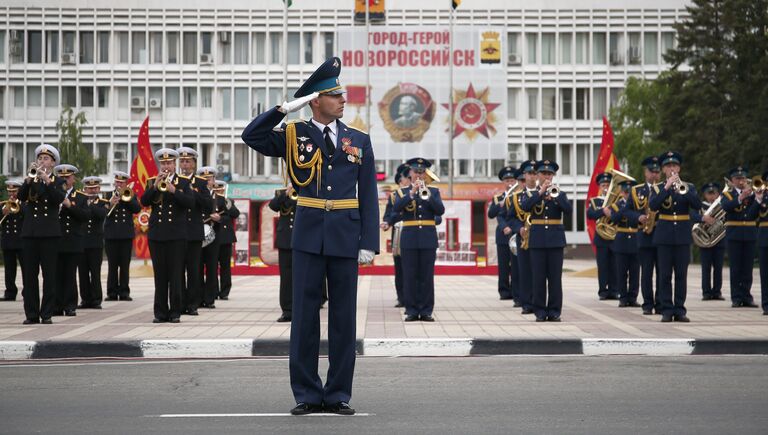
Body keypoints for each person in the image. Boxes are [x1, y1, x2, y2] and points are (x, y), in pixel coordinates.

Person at [242, 57, 379, 416]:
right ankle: (305, 391)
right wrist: (284, 109)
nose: (343, 100)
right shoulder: (294, 134)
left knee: (344, 319)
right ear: (316, 100)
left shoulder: (358, 139)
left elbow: (368, 194)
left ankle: (337, 394)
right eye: (335, 95)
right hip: (307, 237)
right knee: (304, 317)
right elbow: (251, 136)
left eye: (342, 94)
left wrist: (368, 243)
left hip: (345, 237)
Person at [141, 148, 194, 323]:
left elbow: (190, 203)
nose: (166, 166)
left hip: (177, 235)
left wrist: (173, 190)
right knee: (160, 276)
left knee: (175, 275)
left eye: (169, 163)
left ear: (174, 164)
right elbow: (144, 201)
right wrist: (155, 187)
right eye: (163, 163)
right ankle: (160, 312)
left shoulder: (184, 182)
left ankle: (175, 312)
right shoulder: (152, 181)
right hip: (157, 235)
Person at [649, 151, 701, 322]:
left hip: (682, 236)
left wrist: (682, 189)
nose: (672, 168)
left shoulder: (689, 187)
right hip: (664, 235)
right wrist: (666, 187)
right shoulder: (657, 188)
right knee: (664, 275)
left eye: (674, 166)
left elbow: (696, 204)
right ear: (663, 170)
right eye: (668, 166)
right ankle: (666, 310)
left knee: (681, 275)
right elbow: (654, 206)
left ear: (679, 168)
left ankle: (679, 310)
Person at [393, 158, 445, 322]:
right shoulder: (401, 192)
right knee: (410, 276)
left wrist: (427, 195)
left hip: (428, 238)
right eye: (416, 172)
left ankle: (427, 310)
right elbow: (396, 208)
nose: (418, 175)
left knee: (426, 276)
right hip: (409, 238)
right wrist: (412, 193)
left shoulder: (434, 191)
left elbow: (440, 210)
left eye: (422, 172)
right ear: (410, 173)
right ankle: (411, 310)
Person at [18, 144, 65, 324]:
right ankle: (31, 314)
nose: (41, 162)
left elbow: (57, 199)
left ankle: (46, 314)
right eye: (40, 159)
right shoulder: (31, 180)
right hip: (30, 233)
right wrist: (28, 181)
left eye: (46, 159)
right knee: (29, 277)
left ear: (53, 163)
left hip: (49, 234)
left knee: (49, 276)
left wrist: (48, 181)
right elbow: (21, 197)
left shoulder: (57, 182)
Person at [520, 160, 571, 322]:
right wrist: (540, 193)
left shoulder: (560, 193)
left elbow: (568, 210)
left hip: (555, 241)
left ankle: (555, 311)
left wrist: (555, 198)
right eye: (543, 174)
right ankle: (540, 311)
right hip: (538, 240)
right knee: (539, 278)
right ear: (538, 175)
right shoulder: (531, 194)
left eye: (550, 174)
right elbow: (525, 207)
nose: (547, 177)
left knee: (555, 278)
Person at [177, 146, 213, 316]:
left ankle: (192, 304)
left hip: (193, 232)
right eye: (182, 161)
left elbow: (208, 204)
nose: (184, 164)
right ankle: (179, 303)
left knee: (193, 270)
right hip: (177, 232)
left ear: (193, 164)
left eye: (188, 161)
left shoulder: (200, 182)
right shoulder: (174, 181)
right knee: (178, 270)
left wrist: (191, 193)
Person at [53, 164, 90, 317]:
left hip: (73, 241)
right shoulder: (53, 194)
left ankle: (70, 305)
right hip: (56, 240)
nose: (64, 180)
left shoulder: (80, 197)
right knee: (56, 274)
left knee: (70, 275)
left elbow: (85, 216)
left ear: (73, 179)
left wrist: (69, 206)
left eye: (67, 177)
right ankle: (56, 305)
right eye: (61, 177)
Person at [720, 166, 760, 308]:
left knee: (747, 268)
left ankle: (747, 296)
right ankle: (736, 297)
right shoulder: (727, 194)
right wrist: (740, 197)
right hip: (734, 233)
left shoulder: (753, 194)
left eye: (743, 178)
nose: (741, 181)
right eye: (738, 178)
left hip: (749, 232)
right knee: (736, 267)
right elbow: (725, 207)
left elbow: (756, 212)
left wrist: (757, 198)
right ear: (732, 181)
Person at [629, 156, 662, 315]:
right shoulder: (637, 190)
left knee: (663, 273)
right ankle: (648, 304)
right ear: (645, 172)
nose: (655, 174)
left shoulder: (665, 188)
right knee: (647, 273)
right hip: (645, 235)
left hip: (662, 235)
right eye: (651, 171)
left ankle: (661, 303)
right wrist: (638, 217)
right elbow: (627, 211)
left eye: (657, 171)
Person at [104, 171, 141, 301]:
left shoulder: (130, 195)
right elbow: (103, 213)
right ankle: (112, 292)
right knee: (112, 265)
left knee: (125, 265)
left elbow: (137, 209)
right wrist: (111, 203)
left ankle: (124, 292)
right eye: (117, 182)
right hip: (111, 235)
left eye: (122, 182)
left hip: (125, 235)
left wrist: (127, 198)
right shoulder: (108, 195)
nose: (119, 184)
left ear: (126, 183)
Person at [508, 160, 537, 315]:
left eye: (534, 173)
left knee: (538, 271)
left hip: (539, 237)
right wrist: (518, 228)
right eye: (528, 173)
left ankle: (538, 301)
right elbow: (510, 217)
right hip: (524, 237)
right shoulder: (516, 197)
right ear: (524, 175)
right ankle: (526, 303)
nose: (531, 177)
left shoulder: (545, 192)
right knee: (524, 271)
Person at [488, 165, 519, 302]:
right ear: (503, 182)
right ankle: (504, 291)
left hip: (516, 233)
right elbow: (492, 214)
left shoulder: (520, 196)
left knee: (517, 264)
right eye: (507, 181)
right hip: (502, 235)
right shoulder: (497, 198)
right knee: (503, 265)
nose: (510, 183)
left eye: (512, 180)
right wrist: (500, 204)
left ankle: (516, 290)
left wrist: (512, 228)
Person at [381, 163, 410, 308]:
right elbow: (388, 215)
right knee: (399, 268)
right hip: (398, 233)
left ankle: (413, 296)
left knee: (412, 267)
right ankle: (402, 297)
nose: (410, 180)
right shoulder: (393, 196)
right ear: (400, 181)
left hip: (412, 232)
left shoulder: (417, 193)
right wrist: (387, 222)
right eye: (407, 178)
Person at [586, 172, 618, 301]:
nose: (605, 187)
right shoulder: (595, 201)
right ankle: (603, 291)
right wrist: (602, 211)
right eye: (603, 185)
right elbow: (590, 215)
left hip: (614, 237)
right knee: (603, 265)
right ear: (599, 187)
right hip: (601, 237)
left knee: (614, 265)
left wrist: (612, 213)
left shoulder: (616, 200)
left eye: (607, 185)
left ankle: (614, 290)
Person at [78, 176, 109, 309]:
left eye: (94, 188)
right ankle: (85, 299)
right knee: (83, 273)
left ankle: (96, 299)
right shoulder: (80, 201)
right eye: (89, 189)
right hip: (82, 241)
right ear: (85, 189)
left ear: (98, 189)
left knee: (95, 272)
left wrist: (91, 205)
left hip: (95, 243)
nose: (91, 191)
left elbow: (102, 215)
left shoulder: (103, 202)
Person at [610, 180, 641, 308]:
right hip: (621, 240)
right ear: (621, 192)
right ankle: (623, 298)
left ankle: (632, 297)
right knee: (621, 272)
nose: (627, 194)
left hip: (635, 238)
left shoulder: (638, 205)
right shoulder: (616, 205)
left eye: (629, 192)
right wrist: (624, 208)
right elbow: (614, 219)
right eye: (625, 191)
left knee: (635, 272)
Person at [211, 181, 240, 301]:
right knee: (212, 266)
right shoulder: (210, 200)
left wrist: (228, 206)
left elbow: (235, 214)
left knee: (225, 266)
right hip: (213, 237)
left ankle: (224, 291)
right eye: (216, 189)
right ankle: (213, 290)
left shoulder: (229, 201)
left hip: (226, 237)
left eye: (220, 189)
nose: (219, 192)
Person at [697, 182, 726, 301]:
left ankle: (717, 292)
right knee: (706, 268)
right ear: (704, 195)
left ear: (718, 194)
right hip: (705, 239)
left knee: (718, 268)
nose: (711, 196)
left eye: (714, 193)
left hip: (719, 239)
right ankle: (706, 292)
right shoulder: (701, 207)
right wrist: (703, 218)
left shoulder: (722, 205)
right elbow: (694, 217)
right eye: (709, 193)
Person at [197, 166, 220, 308]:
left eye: (209, 179)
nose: (207, 181)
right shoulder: (197, 194)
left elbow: (228, 216)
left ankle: (210, 299)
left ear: (213, 180)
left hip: (214, 237)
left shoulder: (220, 197)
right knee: (197, 267)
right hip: (198, 234)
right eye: (204, 179)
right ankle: (198, 297)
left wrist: (219, 218)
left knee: (211, 269)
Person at [1, 180, 25, 302]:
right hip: (8, 241)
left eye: (14, 191)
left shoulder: (25, 204)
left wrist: (18, 208)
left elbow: (26, 215)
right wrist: (3, 212)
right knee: (9, 269)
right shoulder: (4, 205)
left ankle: (27, 291)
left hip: (21, 241)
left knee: (26, 268)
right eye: (10, 191)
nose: (12, 194)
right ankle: (10, 292)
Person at [755, 170, 768, 316]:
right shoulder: (761, 197)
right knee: (765, 274)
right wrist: (758, 200)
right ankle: (766, 305)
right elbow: (752, 216)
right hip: (764, 237)